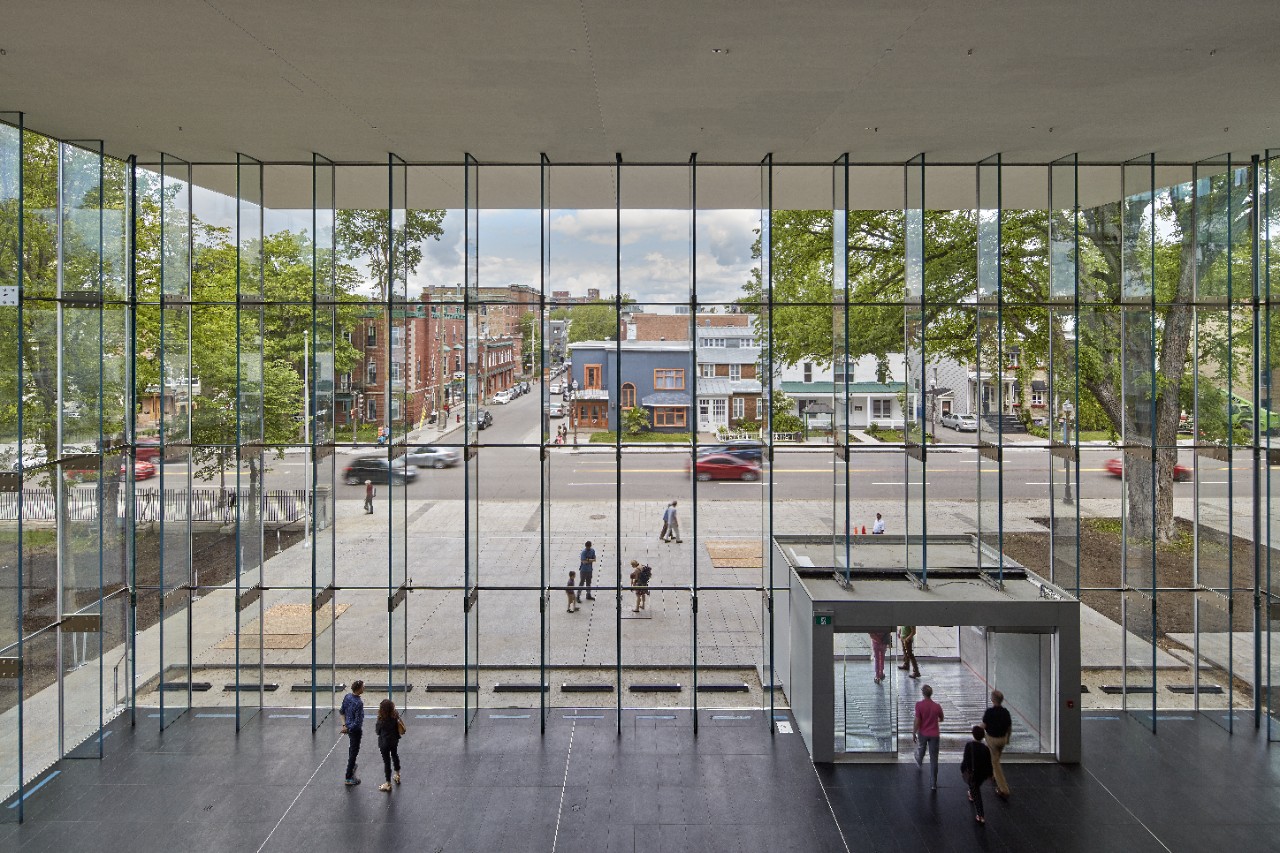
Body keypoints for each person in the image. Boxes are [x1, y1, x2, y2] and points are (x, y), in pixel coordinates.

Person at [982, 690, 1013, 799]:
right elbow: (1009, 728)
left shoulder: (989, 712)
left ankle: (1004, 789)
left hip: (993, 740)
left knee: (995, 763)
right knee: (997, 757)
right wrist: (1007, 739)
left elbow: (984, 726)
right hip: (1002, 740)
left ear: (992, 700)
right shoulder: (1006, 712)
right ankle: (994, 775)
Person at [961, 725, 994, 824]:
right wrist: (990, 774)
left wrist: (963, 769)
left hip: (972, 773)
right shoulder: (985, 748)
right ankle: (971, 793)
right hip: (982, 774)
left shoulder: (969, 746)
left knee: (977, 793)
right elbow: (989, 763)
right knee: (975, 785)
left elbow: (966, 759)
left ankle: (980, 815)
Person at [913, 683, 944, 791]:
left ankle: (919, 760)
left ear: (923, 693)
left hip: (923, 733)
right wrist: (935, 720)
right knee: (934, 759)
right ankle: (933, 783)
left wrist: (914, 732)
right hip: (935, 734)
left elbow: (917, 721)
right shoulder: (937, 706)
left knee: (921, 748)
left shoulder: (919, 705)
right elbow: (942, 718)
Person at [340, 680, 366, 786]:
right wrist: (349, 728)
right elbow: (357, 722)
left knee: (352, 748)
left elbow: (342, 711)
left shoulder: (347, 697)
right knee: (354, 752)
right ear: (359, 689)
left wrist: (344, 726)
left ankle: (352, 766)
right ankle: (349, 777)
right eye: (363, 687)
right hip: (354, 731)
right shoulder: (359, 703)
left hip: (348, 728)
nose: (364, 688)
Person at [375, 699, 404, 792]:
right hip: (394, 740)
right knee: (395, 755)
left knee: (387, 762)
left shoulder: (381, 719)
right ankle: (397, 775)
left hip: (384, 742)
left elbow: (377, 731)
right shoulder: (395, 715)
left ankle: (388, 783)